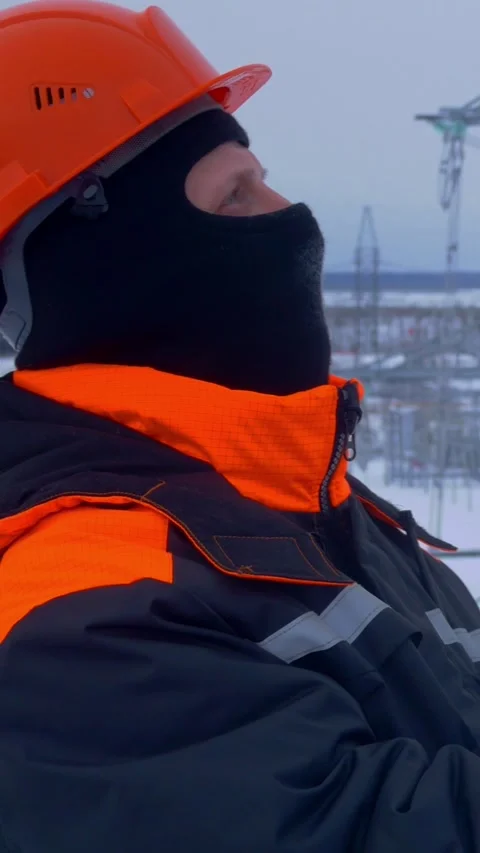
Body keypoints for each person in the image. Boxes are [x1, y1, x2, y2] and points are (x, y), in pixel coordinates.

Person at [0, 2, 479, 851]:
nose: (289, 215)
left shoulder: (304, 495)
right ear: (115, 268)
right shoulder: (79, 609)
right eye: (236, 194)